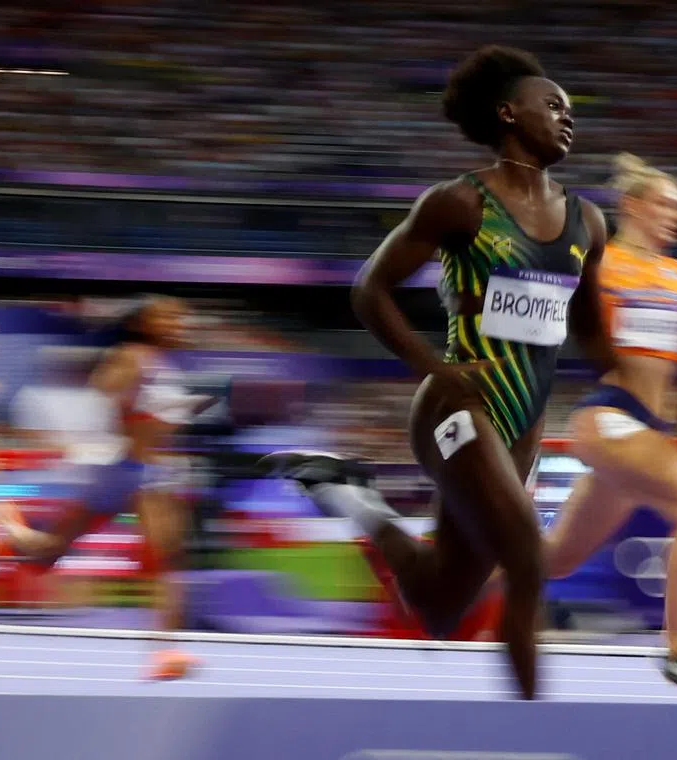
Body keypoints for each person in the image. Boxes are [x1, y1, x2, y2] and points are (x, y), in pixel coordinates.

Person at [261, 45, 610, 700]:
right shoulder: (459, 203)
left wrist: (626, 385)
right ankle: (538, 727)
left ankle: (348, 495)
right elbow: (371, 289)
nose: (568, 118)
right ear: (508, 113)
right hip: (456, 407)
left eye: (571, 109)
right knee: (528, 557)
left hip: (522, 427)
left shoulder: (589, 222)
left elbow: (589, 325)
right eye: (553, 105)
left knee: (440, 604)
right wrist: (434, 369)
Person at [542, 153, 677, 687]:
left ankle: (442, 572)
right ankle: (676, 651)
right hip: (612, 418)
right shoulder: (600, 264)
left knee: (555, 561)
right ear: (633, 205)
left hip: (650, 433)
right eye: (666, 204)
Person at [0, 296, 217, 680]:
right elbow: (104, 388)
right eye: (170, 318)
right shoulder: (133, 355)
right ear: (145, 323)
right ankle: (166, 651)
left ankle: (7, 530)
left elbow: (158, 417)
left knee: (54, 553)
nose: (180, 325)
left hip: (146, 470)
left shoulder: (163, 362)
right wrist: (138, 398)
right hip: (128, 468)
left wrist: (181, 408)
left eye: (182, 318)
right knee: (165, 560)